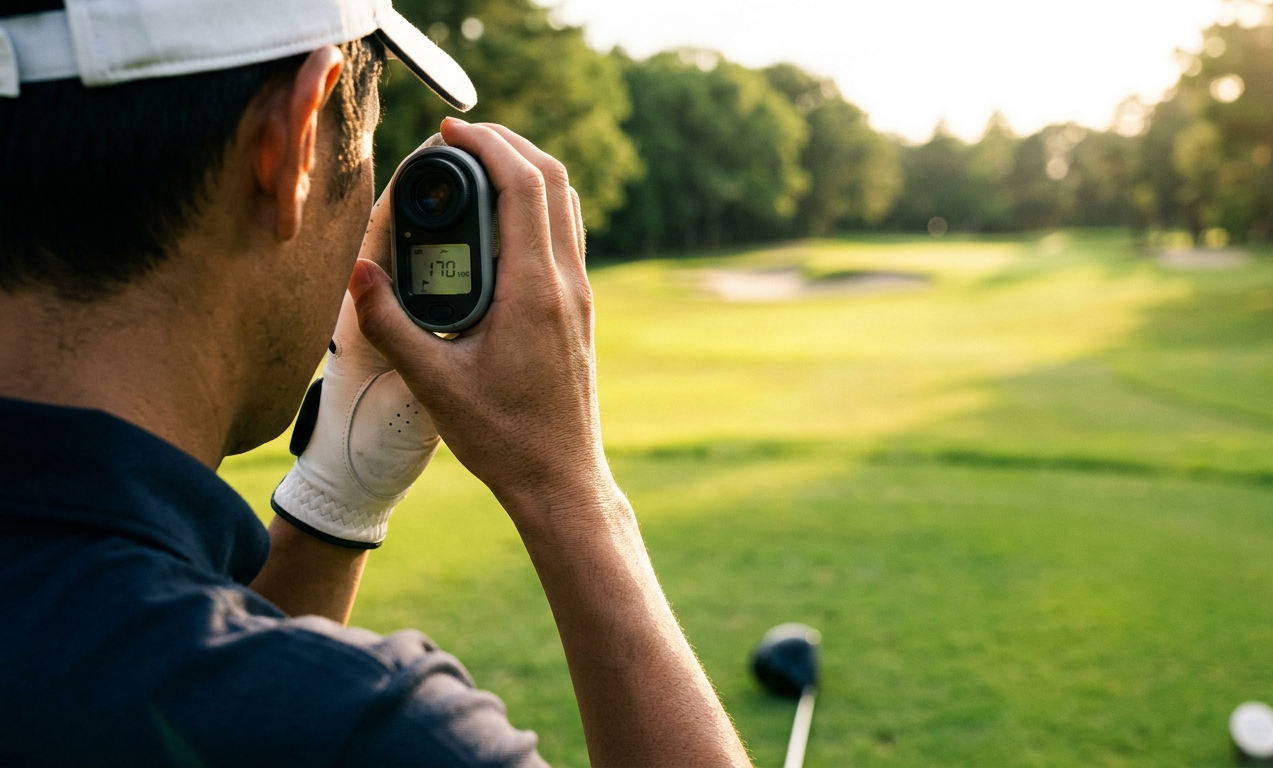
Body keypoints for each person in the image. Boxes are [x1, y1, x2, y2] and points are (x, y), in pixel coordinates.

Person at [0, 1, 751, 766]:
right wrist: (571, 492)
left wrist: (337, 498)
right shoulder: (378, 735)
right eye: (360, 148)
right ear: (288, 146)